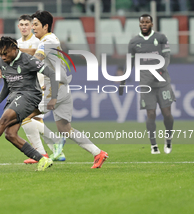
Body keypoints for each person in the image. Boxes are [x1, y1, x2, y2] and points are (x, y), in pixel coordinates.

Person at [29, 10, 108, 169]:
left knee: (24, 117)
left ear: (45, 26)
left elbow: (36, 59)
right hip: (62, 88)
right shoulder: (51, 39)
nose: (32, 28)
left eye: (36, 24)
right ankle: (98, 153)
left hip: (54, 90)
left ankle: (41, 154)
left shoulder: (47, 41)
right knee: (65, 129)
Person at [0, 36, 59, 171]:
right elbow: (7, 85)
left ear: (14, 49)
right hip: (15, 97)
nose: (3, 57)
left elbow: (51, 73)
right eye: (0, 54)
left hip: (30, 95)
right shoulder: (1, 62)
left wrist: (54, 97)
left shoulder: (29, 60)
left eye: (5, 53)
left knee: (4, 120)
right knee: (10, 135)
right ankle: (43, 159)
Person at [119, 14, 175, 154]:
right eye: (142, 22)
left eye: (147, 22)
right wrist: (122, 82)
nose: (144, 24)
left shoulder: (161, 38)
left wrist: (161, 69)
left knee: (167, 114)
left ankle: (168, 141)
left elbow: (167, 57)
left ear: (152, 24)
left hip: (162, 82)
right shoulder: (134, 42)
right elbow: (129, 63)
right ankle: (153, 145)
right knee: (151, 114)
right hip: (146, 83)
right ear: (139, 24)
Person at [16, 14, 66, 164]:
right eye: (22, 24)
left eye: (28, 24)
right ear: (18, 27)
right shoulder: (19, 42)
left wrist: (14, 52)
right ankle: (50, 151)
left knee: (28, 118)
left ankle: (41, 154)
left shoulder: (38, 39)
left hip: (41, 84)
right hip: (27, 85)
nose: (26, 27)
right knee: (30, 119)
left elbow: (35, 58)